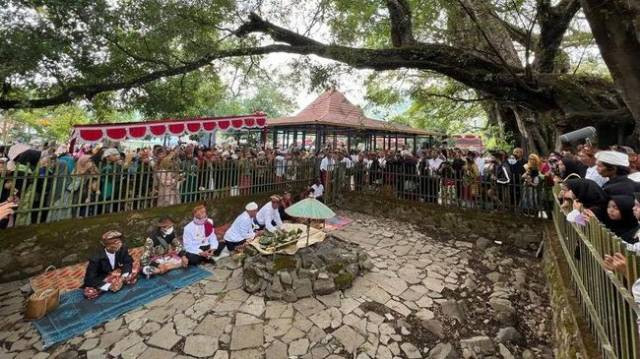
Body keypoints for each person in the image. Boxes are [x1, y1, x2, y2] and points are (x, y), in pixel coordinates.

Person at [83, 230, 139, 300]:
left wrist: (123, 277)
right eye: (114, 242)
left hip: (118, 273)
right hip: (104, 277)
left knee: (134, 269)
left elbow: (127, 262)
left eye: (119, 241)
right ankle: (112, 286)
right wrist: (109, 286)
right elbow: (89, 279)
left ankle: (122, 282)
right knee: (89, 292)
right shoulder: (96, 258)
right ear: (106, 245)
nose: (119, 244)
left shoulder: (122, 249)